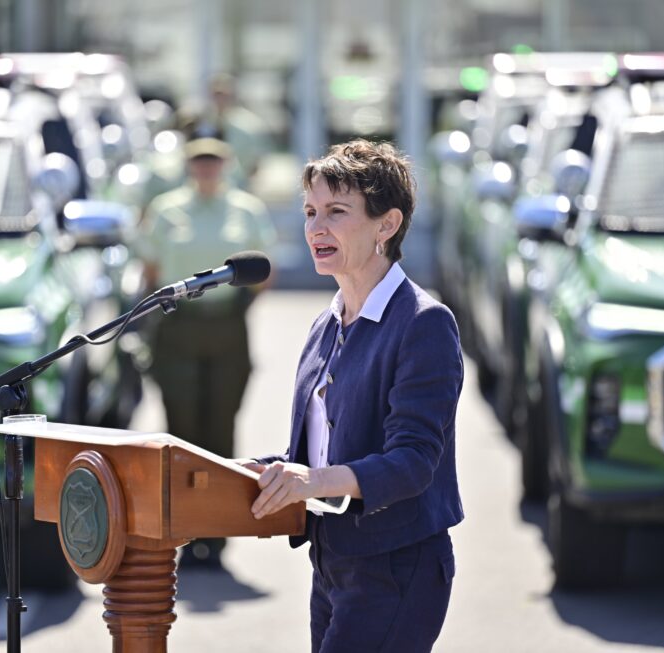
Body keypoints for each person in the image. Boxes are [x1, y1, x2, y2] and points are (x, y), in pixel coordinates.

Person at [242, 139, 464, 652]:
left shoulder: (424, 323)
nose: (317, 228)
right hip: (332, 560)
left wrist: (311, 481)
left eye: (337, 212)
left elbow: (412, 462)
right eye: (310, 212)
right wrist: (237, 472)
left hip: (395, 564)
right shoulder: (327, 321)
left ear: (387, 225)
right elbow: (316, 456)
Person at [137, 135, 277, 567]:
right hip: (180, 327)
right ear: (188, 166)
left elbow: (264, 268)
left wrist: (241, 306)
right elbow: (151, 268)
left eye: (214, 162)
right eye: (199, 162)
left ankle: (216, 534)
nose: (206, 170)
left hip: (227, 325)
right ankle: (183, 527)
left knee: (220, 426)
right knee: (181, 429)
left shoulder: (246, 209)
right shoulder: (167, 209)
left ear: (227, 165)